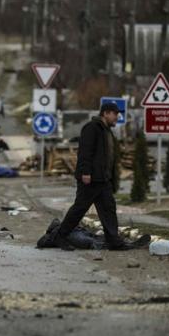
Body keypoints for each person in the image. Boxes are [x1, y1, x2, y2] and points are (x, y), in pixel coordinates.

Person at [53, 102, 127, 251]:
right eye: (115, 114)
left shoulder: (107, 131)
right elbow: (85, 152)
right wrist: (86, 172)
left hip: (103, 179)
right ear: (105, 113)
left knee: (108, 208)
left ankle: (113, 241)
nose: (117, 117)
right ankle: (60, 236)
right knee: (79, 209)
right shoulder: (92, 128)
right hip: (91, 179)